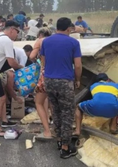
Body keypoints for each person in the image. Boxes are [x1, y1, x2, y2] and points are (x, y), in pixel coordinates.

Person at [41, 17, 82, 159]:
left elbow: (43, 61)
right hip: (65, 81)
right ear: (68, 29)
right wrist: (77, 79)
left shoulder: (46, 41)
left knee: (56, 111)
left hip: (49, 81)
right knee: (67, 114)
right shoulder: (73, 43)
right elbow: (77, 65)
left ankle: (59, 140)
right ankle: (65, 148)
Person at [74, 73, 118, 137]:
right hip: (113, 109)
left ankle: (77, 130)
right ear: (108, 79)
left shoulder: (94, 85)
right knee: (115, 102)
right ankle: (113, 128)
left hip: (95, 107)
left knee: (78, 107)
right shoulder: (116, 85)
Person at [29, 28, 53, 140]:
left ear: (40, 35)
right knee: (53, 101)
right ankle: (55, 127)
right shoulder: (55, 40)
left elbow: (31, 56)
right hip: (59, 74)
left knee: (39, 102)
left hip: (45, 73)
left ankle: (47, 131)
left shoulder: (40, 41)